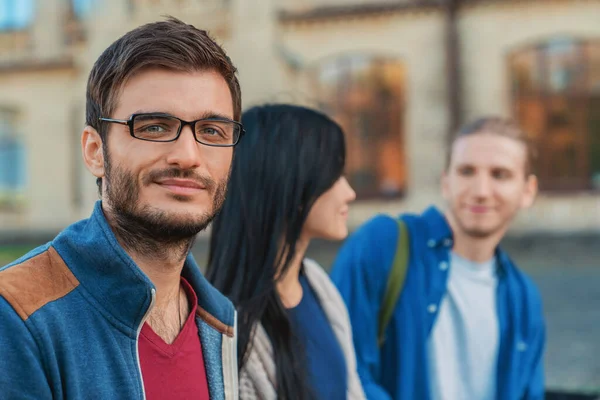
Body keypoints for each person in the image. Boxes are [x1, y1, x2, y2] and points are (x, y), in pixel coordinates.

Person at [0, 18, 242, 399]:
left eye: (212, 131)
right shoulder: (16, 314)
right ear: (95, 152)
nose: (188, 156)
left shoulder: (218, 318)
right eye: (154, 127)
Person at [331, 117, 546, 400]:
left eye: (500, 175)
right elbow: (340, 368)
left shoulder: (523, 297)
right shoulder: (382, 245)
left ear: (527, 191)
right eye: (466, 171)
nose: (481, 191)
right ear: (446, 182)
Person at [206, 104, 365, 400]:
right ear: (291, 183)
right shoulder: (228, 333)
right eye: (335, 175)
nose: (349, 192)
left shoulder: (318, 284)